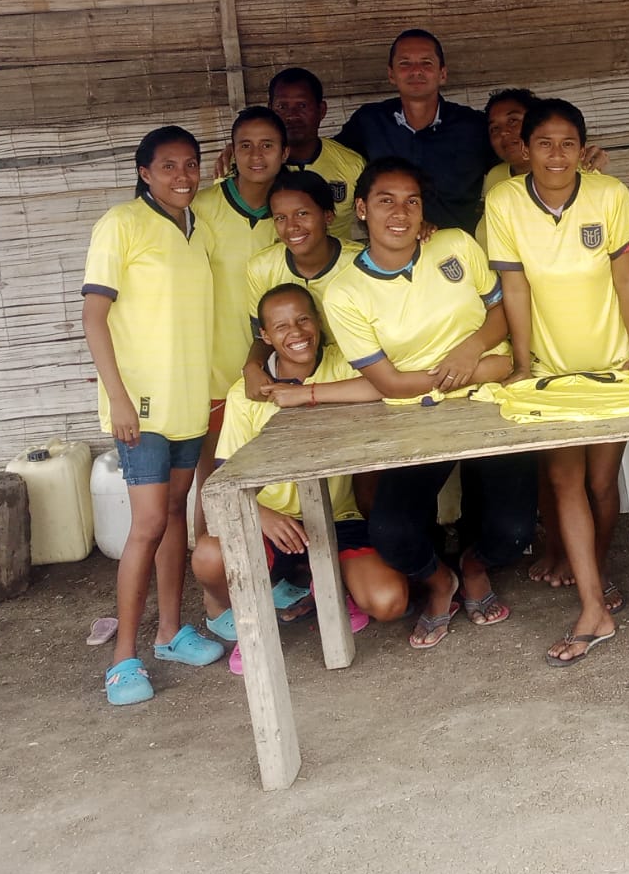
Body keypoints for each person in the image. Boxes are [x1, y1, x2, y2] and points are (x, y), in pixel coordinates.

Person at [324, 158, 521, 648]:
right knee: (392, 533)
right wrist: (480, 369)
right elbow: (390, 384)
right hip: (415, 416)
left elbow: (500, 313)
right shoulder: (345, 292)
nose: (400, 212)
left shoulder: (454, 245)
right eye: (386, 201)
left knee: (514, 529)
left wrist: (472, 350)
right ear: (362, 209)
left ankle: (473, 565)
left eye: (411, 201)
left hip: (490, 404)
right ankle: (440, 581)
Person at [485, 98, 629, 667]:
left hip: (610, 364)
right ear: (525, 149)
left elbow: (626, 279)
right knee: (564, 481)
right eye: (544, 143)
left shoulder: (609, 194)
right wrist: (523, 364)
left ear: (582, 150)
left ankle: (594, 575)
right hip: (551, 371)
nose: (555, 155)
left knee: (602, 484)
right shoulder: (504, 202)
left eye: (567, 144)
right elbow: (515, 289)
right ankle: (592, 607)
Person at [191, 284, 409, 673]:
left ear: (319, 321)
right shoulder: (247, 393)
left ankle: (331, 586)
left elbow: (382, 386)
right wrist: (261, 515)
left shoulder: (342, 363)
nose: (296, 332)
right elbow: (225, 479)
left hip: (336, 516)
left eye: (304, 319)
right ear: (265, 336)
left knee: (389, 602)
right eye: (281, 326)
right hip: (276, 525)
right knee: (209, 556)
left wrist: (307, 394)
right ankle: (251, 621)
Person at [82, 126, 224, 706]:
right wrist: (117, 398)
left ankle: (169, 633)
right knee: (146, 525)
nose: (182, 176)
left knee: (172, 514)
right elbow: (94, 316)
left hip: (187, 399)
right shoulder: (121, 224)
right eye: (168, 166)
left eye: (191, 164)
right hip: (140, 407)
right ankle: (123, 659)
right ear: (144, 173)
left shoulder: (197, 227)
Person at [191, 107, 289, 535]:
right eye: (245, 145)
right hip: (214, 368)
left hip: (279, 367)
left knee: (278, 476)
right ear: (231, 152)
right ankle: (212, 567)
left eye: (267, 145)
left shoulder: (291, 214)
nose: (256, 155)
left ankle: (280, 565)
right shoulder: (201, 208)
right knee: (215, 479)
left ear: (284, 153)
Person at [335, 29, 494, 231]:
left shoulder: (474, 127)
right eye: (405, 63)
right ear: (391, 74)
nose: (416, 71)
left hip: (459, 245)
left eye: (426, 63)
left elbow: (511, 171)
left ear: (442, 74)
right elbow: (331, 161)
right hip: (391, 243)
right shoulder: (370, 122)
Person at [240, 170, 361, 395]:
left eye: (302, 213)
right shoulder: (261, 267)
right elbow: (262, 336)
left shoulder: (360, 264)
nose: (291, 227)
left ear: (328, 216)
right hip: (298, 379)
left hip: (357, 376)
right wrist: (251, 366)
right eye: (280, 218)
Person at [268, 67, 366, 240]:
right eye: (282, 106)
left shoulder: (353, 165)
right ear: (270, 110)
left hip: (337, 256)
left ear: (321, 110)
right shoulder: (254, 167)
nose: (292, 115)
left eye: (302, 105)